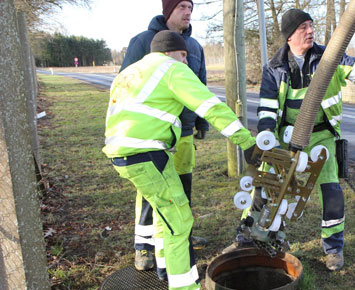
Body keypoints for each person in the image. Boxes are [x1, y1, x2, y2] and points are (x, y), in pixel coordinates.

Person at [226, 9, 355, 271]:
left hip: (321, 136)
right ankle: (247, 236)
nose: (310, 31)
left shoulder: (329, 59)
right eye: (303, 28)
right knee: (264, 185)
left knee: (332, 192)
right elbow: (267, 111)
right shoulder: (274, 68)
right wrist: (268, 143)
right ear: (289, 36)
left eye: (311, 26)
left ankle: (334, 248)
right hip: (285, 138)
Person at [104, 31, 257, 289]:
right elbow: (211, 107)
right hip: (147, 153)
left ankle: (164, 267)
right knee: (180, 221)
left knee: (164, 213)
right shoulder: (172, 69)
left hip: (121, 153)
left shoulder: (129, 72)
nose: (186, 61)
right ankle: (184, 285)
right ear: (169, 53)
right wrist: (247, 143)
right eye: (183, 54)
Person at [120, 0, 209, 273]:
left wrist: (201, 121)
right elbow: (126, 84)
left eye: (191, 7)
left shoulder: (194, 48)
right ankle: (144, 248)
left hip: (182, 133)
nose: (188, 12)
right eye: (182, 6)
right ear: (168, 10)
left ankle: (181, 238)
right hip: (152, 135)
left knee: (182, 188)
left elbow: (200, 85)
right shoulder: (142, 42)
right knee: (152, 193)